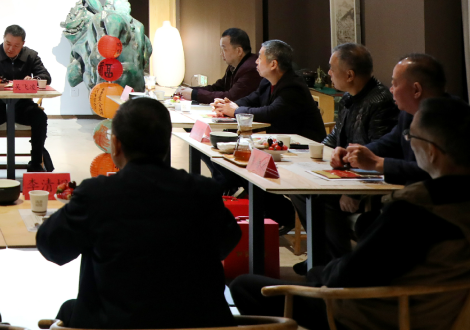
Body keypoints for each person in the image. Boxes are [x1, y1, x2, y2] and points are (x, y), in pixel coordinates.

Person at [231, 97, 470, 330]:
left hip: (380, 314)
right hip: (439, 312)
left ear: (432, 151)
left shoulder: (415, 210)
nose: (408, 143)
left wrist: (317, 274)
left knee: (245, 286)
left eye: (411, 137)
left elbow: (353, 273)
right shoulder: (451, 205)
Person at [37, 97, 240, 329]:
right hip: (199, 322)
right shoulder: (203, 191)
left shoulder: (97, 194)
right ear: (166, 142)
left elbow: (52, 246)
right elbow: (227, 241)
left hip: (117, 323)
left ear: (116, 144)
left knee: (71, 310)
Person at [289, 44, 398, 272]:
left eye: (331, 68)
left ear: (349, 75)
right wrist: (313, 152)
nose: (328, 73)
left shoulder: (380, 101)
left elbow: (379, 152)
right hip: (347, 169)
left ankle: (339, 264)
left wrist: (353, 192)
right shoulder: (350, 96)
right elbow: (336, 136)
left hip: (368, 178)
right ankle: (320, 255)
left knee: (321, 197)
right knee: (298, 188)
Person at [208, 40, 327, 198]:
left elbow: (271, 112)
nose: (256, 61)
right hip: (279, 147)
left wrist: (235, 111)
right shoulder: (267, 81)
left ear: (273, 64)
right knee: (219, 157)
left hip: (303, 150)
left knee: (241, 167)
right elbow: (252, 99)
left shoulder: (293, 86)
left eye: (259, 57)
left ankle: (275, 208)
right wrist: (227, 105)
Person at [333, 54, 448, 186]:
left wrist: (378, 163)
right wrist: (352, 154)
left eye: (395, 84)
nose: (391, 90)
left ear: (416, 89)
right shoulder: (408, 114)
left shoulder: (450, 119)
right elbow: (389, 143)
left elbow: (432, 171)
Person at [0, 25, 52, 178]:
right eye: (7, 43)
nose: (11, 49)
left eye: (16, 45)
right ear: (3, 39)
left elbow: (46, 76)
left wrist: (34, 80)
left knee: (40, 117)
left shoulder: (30, 55)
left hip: (22, 105)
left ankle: (35, 163)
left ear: (23, 44)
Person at [178, 28, 261, 103]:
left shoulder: (251, 68)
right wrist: (189, 90)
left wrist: (194, 94)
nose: (221, 54)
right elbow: (217, 88)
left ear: (239, 51)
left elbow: (231, 97)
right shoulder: (233, 66)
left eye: (224, 49)